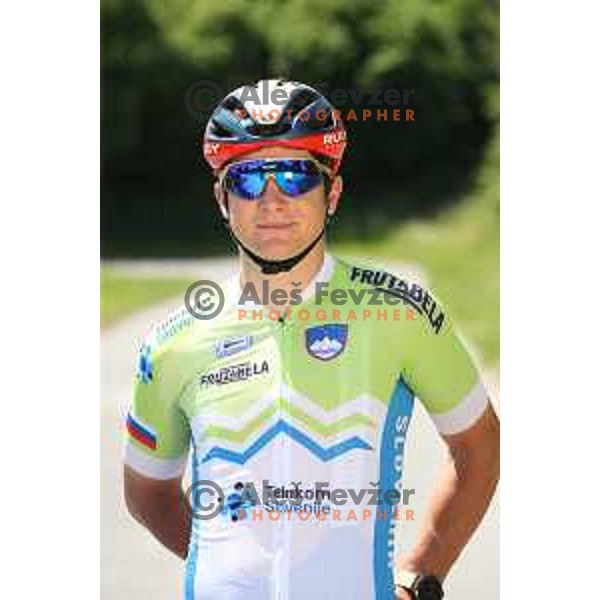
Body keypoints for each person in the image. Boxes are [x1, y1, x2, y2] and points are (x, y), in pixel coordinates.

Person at [123, 79, 500, 600]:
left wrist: (420, 576)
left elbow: (478, 446)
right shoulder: (173, 343)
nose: (273, 199)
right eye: (249, 180)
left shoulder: (399, 313)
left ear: (333, 194)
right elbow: (147, 491)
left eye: (297, 176)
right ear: (221, 198)